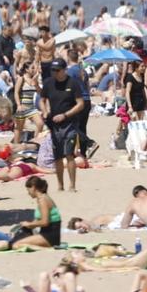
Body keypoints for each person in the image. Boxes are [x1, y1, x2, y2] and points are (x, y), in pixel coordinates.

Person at [39, 58, 85, 192]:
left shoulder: (73, 83)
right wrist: (45, 111)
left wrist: (65, 115)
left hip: (70, 124)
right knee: (58, 156)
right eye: (53, 70)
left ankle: (72, 185)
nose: (54, 72)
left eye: (57, 70)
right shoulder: (48, 83)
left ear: (64, 70)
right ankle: (60, 185)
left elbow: (80, 104)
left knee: (69, 154)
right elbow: (42, 100)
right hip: (54, 125)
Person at [10, 177, 61, 249]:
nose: (28, 193)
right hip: (46, 233)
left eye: (28, 190)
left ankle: (45, 249)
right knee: (18, 240)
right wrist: (27, 225)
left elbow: (45, 222)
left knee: (16, 245)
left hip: (50, 237)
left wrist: (29, 224)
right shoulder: (42, 198)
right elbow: (39, 220)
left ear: (33, 188)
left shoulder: (43, 200)